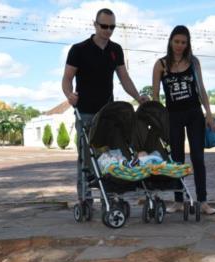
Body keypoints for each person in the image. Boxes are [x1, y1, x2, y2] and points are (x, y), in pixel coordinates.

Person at [62, 8, 149, 201]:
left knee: (110, 156)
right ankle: (84, 200)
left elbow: (124, 77)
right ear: (95, 24)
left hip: (108, 114)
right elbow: (67, 78)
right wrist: (70, 95)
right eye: (104, 26)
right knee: (86, 159)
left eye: (112, 27)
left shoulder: (115, 50)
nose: (108, 30)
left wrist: (137, 96)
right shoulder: (79, 49)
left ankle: (109, 197)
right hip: (84, 112)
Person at [152, 25, 215, 215]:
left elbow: (201, 89)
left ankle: (203, 201)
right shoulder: (161, 65)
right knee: (177, 160)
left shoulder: (194, 62)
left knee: (198, 158)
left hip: (194, 113)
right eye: (176, 41)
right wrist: (158, 121)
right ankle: (179, 202)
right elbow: (156, 96)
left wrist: (209, 114)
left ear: (188, 44)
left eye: (183, 42)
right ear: (170, 41)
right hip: (173, 116)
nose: (179, 46)